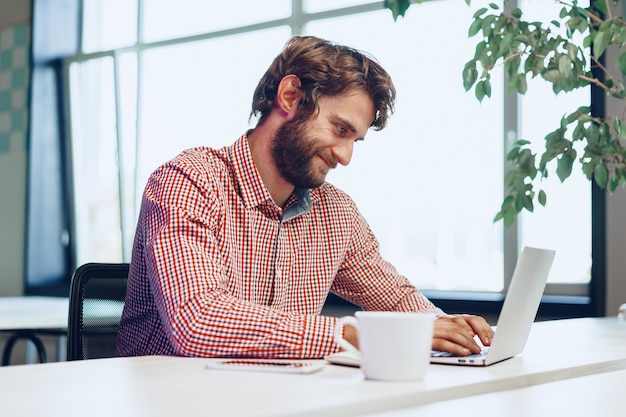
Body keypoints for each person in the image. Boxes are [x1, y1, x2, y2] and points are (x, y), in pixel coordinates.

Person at [116, 35, 494, 359]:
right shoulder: (188, 181)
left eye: (355, 141)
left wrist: (446, 327)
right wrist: (347, 336)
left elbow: (394, 298)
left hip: (277, 399)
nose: (345, 157)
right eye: (340, 129)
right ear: (290, 96)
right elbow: (197, 321)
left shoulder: (335, 212)